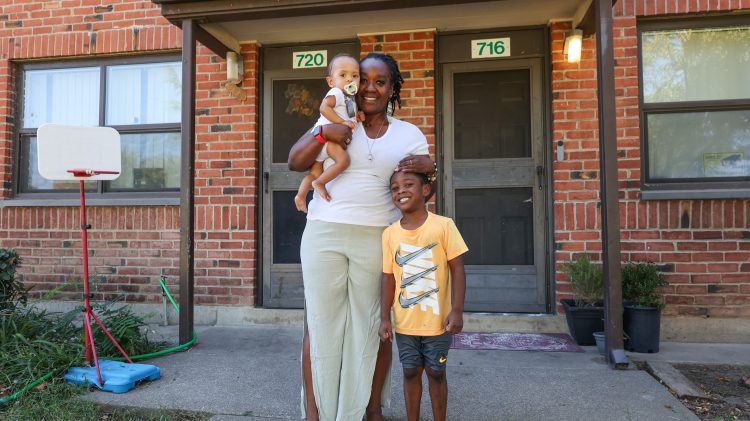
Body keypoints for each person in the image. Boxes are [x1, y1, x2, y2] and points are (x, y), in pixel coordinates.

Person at [287, 53, 437, 421]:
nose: (369, 87)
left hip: (379, 238)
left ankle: (371, 410)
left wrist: (432, 167)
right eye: (362, 79)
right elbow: (294, 160)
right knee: (321, 326)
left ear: (391, 89)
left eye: (380, 81)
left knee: (373, 327)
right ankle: (315, 414)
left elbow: (422, 186)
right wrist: (324, 132)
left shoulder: (408, 134)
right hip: (324, 234)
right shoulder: (333, 115)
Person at [379, 170, 467, 421]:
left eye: (408, 185)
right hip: (406, 324)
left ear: (426, 190)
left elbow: (458, 269)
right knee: (410, 372)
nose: (400, 191)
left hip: (438, 324)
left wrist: (457, 310)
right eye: (395, 188)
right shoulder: (389, 234)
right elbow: (388, 277)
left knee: (436, 371)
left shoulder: (443, 225)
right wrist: (385, 318)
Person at [294, 53, 360, 212]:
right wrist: (341, 122)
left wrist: (358, 117)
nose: (349, 79)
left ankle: (301, 195)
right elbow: (323, 108)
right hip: (328, 140)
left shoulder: (350, 98)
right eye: (343, 75)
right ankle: (320, 183)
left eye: (355, 75)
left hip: (320, 144)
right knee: (343, 161)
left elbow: (350, 116)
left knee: (315, 173)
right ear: (331, 81)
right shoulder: (336, 93)